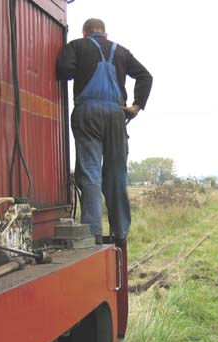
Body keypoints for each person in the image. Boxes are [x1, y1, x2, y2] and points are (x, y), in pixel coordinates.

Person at [56, 18, 152, 246]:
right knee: (117, 174)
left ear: (85, 32)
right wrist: (136, 106)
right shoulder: (122, 52)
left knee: (90, 172)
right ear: (105, 34)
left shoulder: (77, 46)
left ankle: (93, 234)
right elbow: (146, 76)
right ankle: (120, 234)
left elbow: (64, 70)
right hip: (117, 114)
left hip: (87, 113)